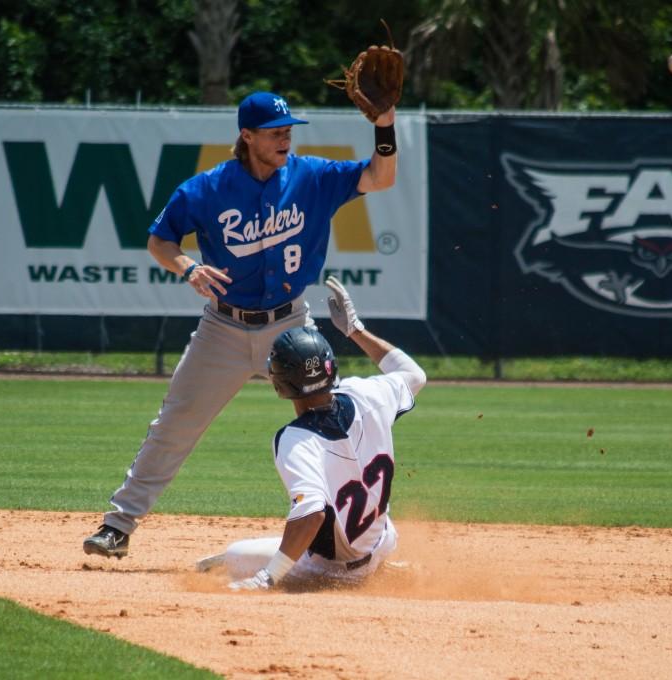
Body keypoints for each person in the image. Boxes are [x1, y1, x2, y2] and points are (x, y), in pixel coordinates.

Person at [83, 91, 399, 558]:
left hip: (289, 325)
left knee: (328, 424)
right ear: (247, 136)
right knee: (175, 424)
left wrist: (385, 123)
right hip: (223, 329)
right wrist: (188, 267)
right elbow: (159, 241)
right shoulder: (207, 189)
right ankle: (119, 524)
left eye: (288, 130)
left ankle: (351, 535)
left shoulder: (312, 176)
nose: (284, 139)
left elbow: (380, 177)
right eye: (274, 132)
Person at [222, 277, 426, 590]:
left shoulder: (296, 439)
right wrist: (355, 329)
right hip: (382, 541)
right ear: (331, 367)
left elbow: (312, 513)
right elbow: (414, 375)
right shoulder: (366, 393)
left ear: (279, 386)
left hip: (336, 571)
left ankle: (357, 576)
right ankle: (383, 567)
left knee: (234, 556)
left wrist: (268, 578)